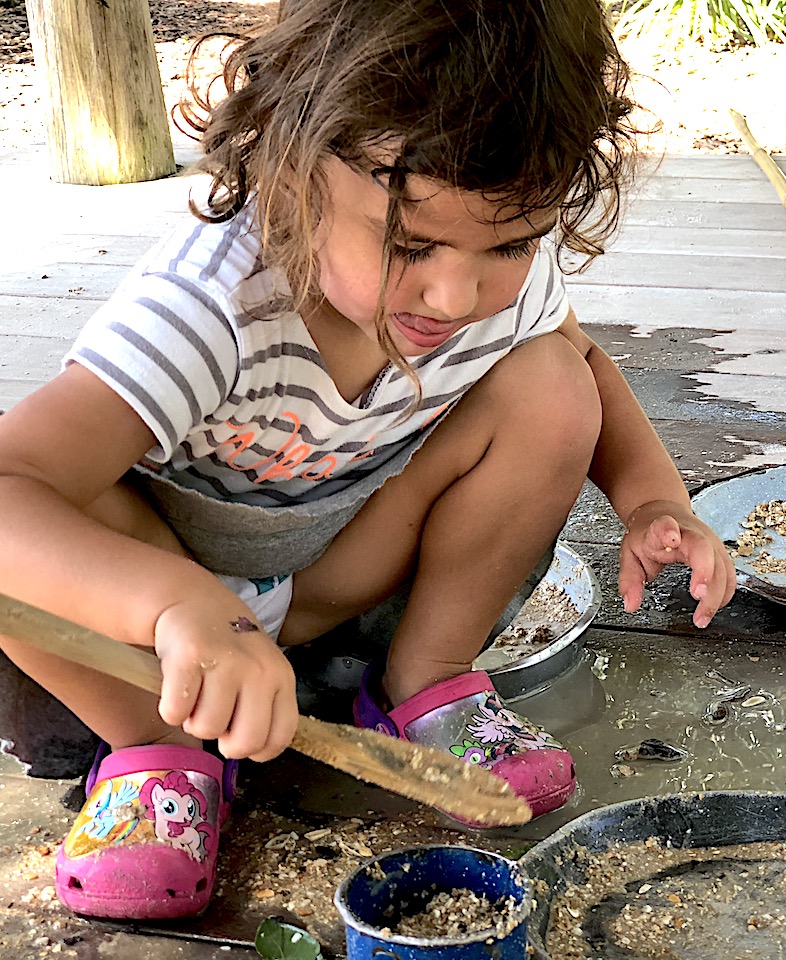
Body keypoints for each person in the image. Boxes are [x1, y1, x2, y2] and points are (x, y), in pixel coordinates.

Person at [0, 0, 735, 920]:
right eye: (410, 244)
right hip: (154, 611)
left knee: (549, 383)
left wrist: (652, 500)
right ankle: (159, 757)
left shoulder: (492, 282)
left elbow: (582, 366)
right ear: (291, 169)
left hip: (334, 572)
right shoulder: (208, 306)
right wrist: (179, 604)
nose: (457, 293)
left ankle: (426, 683)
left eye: (509, 243)